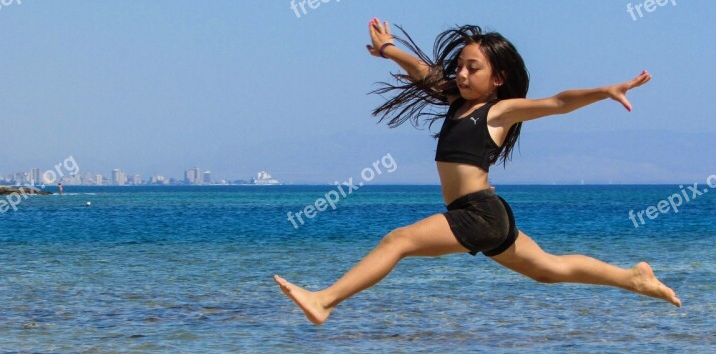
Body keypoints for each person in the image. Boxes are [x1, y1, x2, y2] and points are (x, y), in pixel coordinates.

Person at [275, 19, 681, 325]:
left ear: (498, 78)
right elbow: (424, 74)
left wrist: (606, 90)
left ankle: (324, 301)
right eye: (460, 67)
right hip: (487, 214)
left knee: (397, 240)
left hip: (478, 213)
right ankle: (633, 278)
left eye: (474, 68)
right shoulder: (457, 100)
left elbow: (557, 102)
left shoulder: (499, 111)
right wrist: (389, 51)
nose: (463, 75)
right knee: (549, 269)